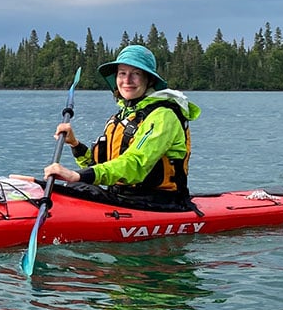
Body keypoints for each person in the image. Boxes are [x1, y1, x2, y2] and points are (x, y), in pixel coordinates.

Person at [44, 44, 202, 212]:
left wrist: (78, 176)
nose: (127, 80)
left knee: (78, 184)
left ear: (149, 79)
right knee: (75, 187)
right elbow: (103, 166)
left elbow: (136, 164)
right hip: (122, 199)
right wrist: (75, 145)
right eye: (122, 73)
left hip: (160, 204)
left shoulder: (163, 116)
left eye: (136, 74)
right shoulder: (122, 117)